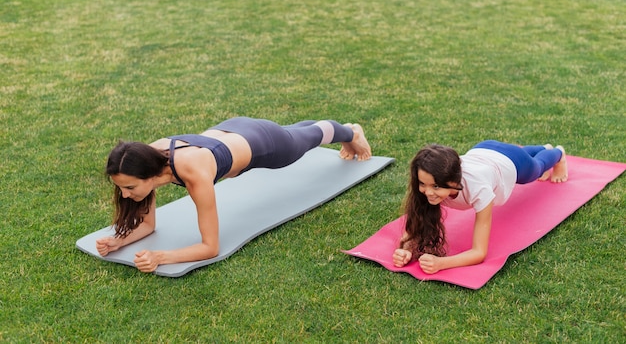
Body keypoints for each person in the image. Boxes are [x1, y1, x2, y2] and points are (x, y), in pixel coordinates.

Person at [96, 117, 372, 272]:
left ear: (149, 175)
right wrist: (119, 241)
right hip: (233, 129)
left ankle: (351, 131)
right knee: (296, 134)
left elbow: (210, 246)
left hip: (263, 144)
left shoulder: (193, 173)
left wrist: (160, 257)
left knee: (306, 139)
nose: (124, 193)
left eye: (129, 187)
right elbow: (147, 224)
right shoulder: (146, 159)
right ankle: (312, 128)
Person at [392, 140, 568, 274]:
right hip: (483, 150)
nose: (428, 192)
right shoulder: (429, 183)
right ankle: (542, 148)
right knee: (522, 154)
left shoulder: (478, 188)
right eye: (423, 184)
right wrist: (405, 250)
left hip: (508, 162)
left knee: (536, 168)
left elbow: (479, 252)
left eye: (436, 187)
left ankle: (558, 153)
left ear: (454, 181)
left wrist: (441, 264)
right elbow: (414, 229)